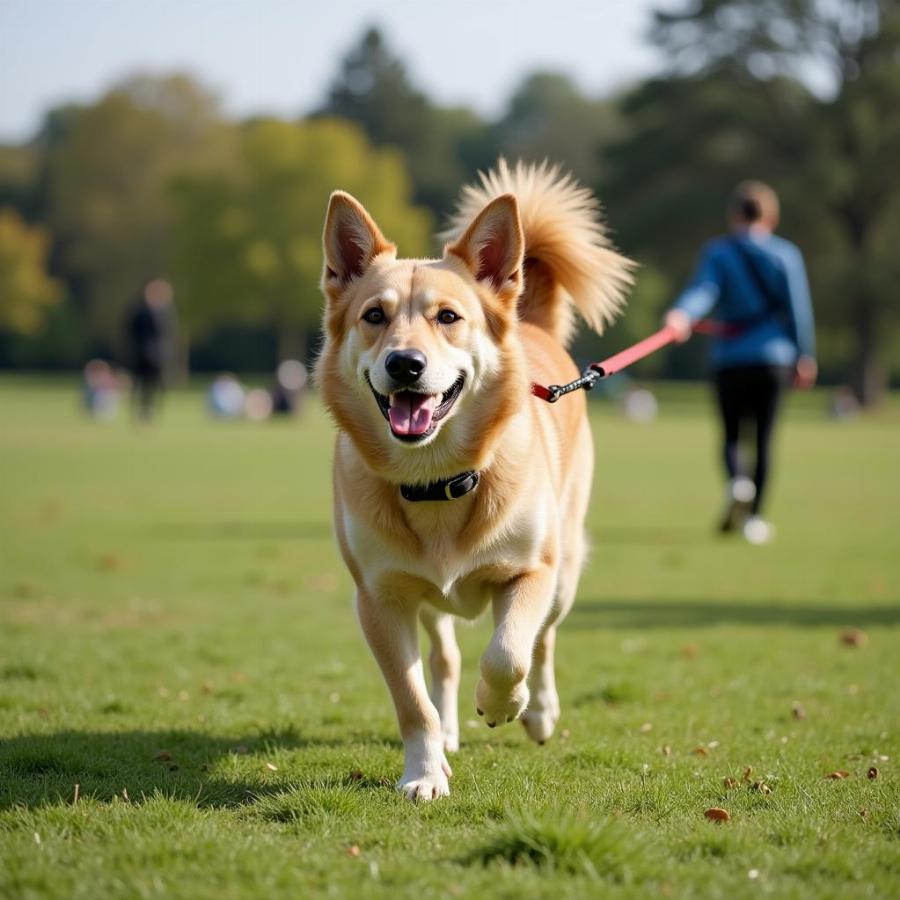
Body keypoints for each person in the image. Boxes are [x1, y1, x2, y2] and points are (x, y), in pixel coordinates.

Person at [664, 181, 816, 544]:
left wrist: (681, 315)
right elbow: (798, 310)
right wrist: (805, 354)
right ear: (772, 218)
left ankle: (737, 483)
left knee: (732, 435)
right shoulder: (786, 255)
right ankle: (755, 520)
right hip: (774, 360)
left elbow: (703, 291)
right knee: (763, 439)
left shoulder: (718, 253)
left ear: (734, 215)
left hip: (729, 359)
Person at [126, 279, 175, 421]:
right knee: (139, 384)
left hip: (158, 355)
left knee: (156, 385)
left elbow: (167, 334)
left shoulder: (165, 312)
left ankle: (151, 410)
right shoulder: (139, 311)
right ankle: (139, 410)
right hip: (141, 355)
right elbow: (131, 333)